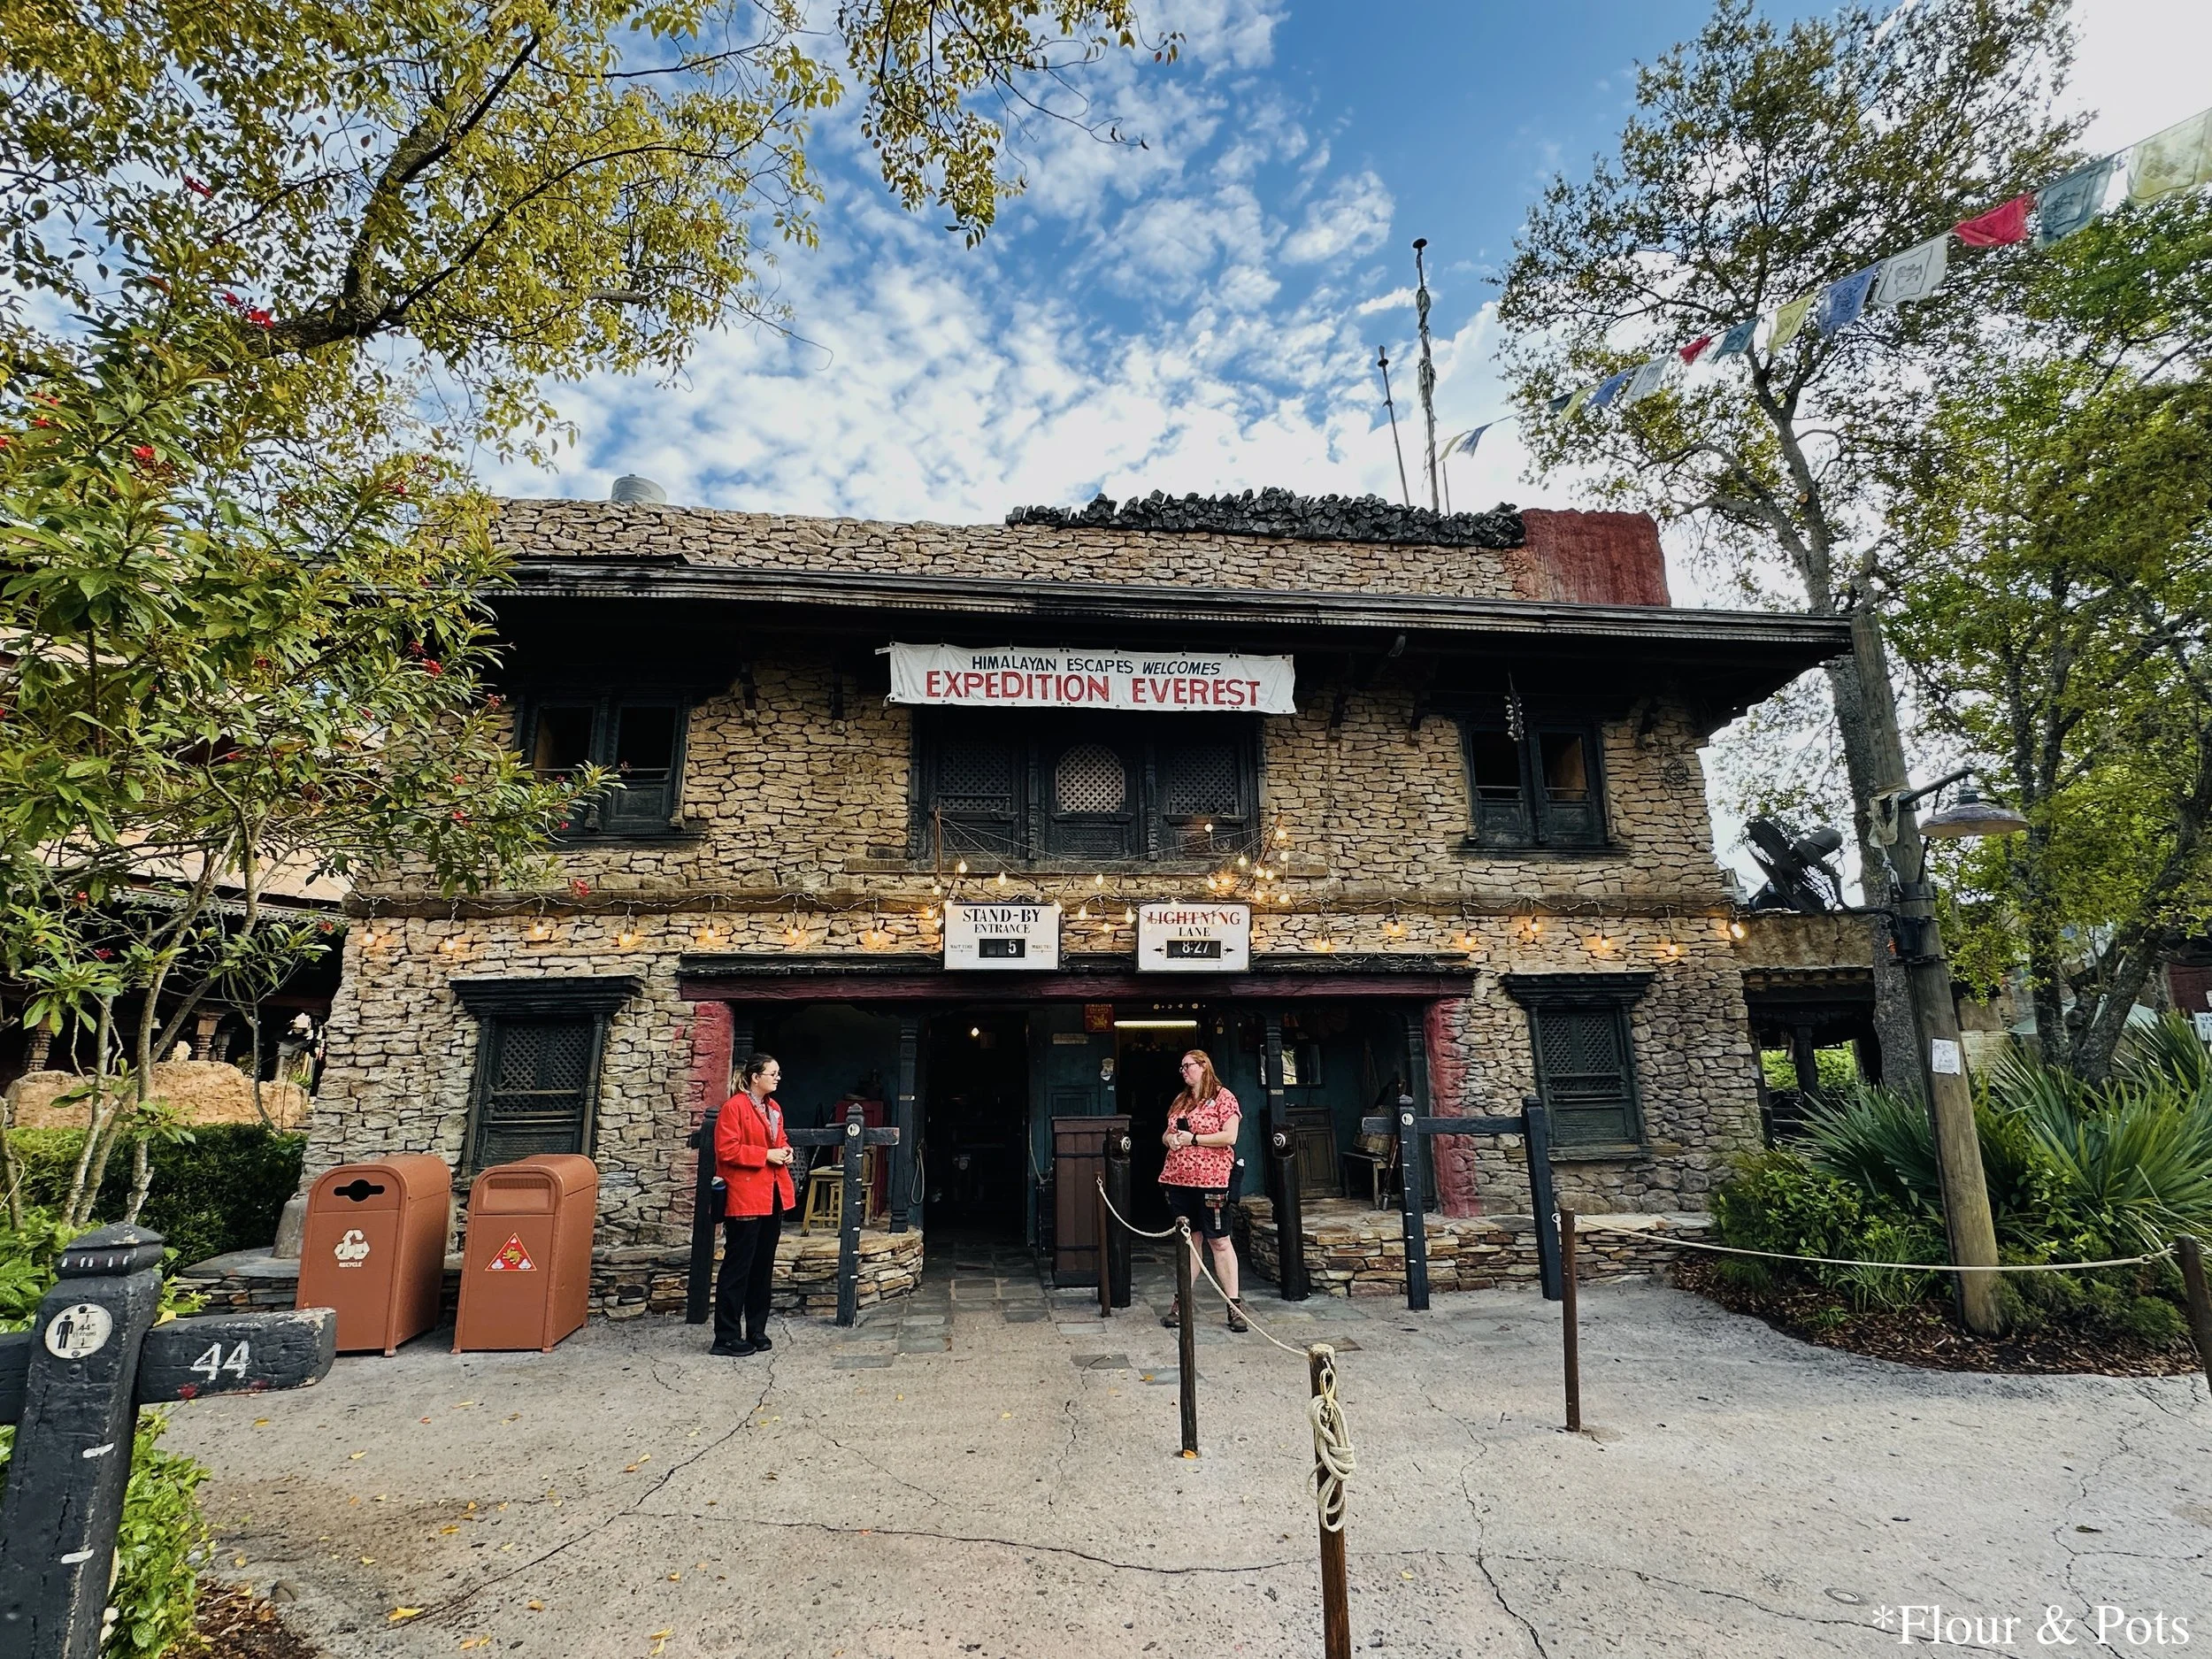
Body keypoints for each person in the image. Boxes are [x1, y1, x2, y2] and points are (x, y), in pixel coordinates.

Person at [1157, 1048, 1248, 1333]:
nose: (1183, 1071)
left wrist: (1194, 1139)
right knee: (1189, 1241)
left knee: (1219, 1240)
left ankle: (1234, 1307)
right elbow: (1166, 1132)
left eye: (1188, 1066)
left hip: (1212, 1180)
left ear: (1204, 1066)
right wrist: (1170, 1140)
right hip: (1179, 1181)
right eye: (1181, 1067)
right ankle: (1181, 1303)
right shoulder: (1181, 1100)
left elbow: (1230, 1136)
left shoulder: (1224, 1097)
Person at [712, 1052, 796, 1356]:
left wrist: (785, 1150)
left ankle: (756, 1330)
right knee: (738, 1267)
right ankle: (726, 1335)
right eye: (772, 1073)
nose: (777, 1078)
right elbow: (727, 1149)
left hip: (771, 1195)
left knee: (762, 1266)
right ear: (755, 1077)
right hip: (745, 1197)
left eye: (778, 1073)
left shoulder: (774, 1108)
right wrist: (765, 1155)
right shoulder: (733, 1108)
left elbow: (780, 1139)